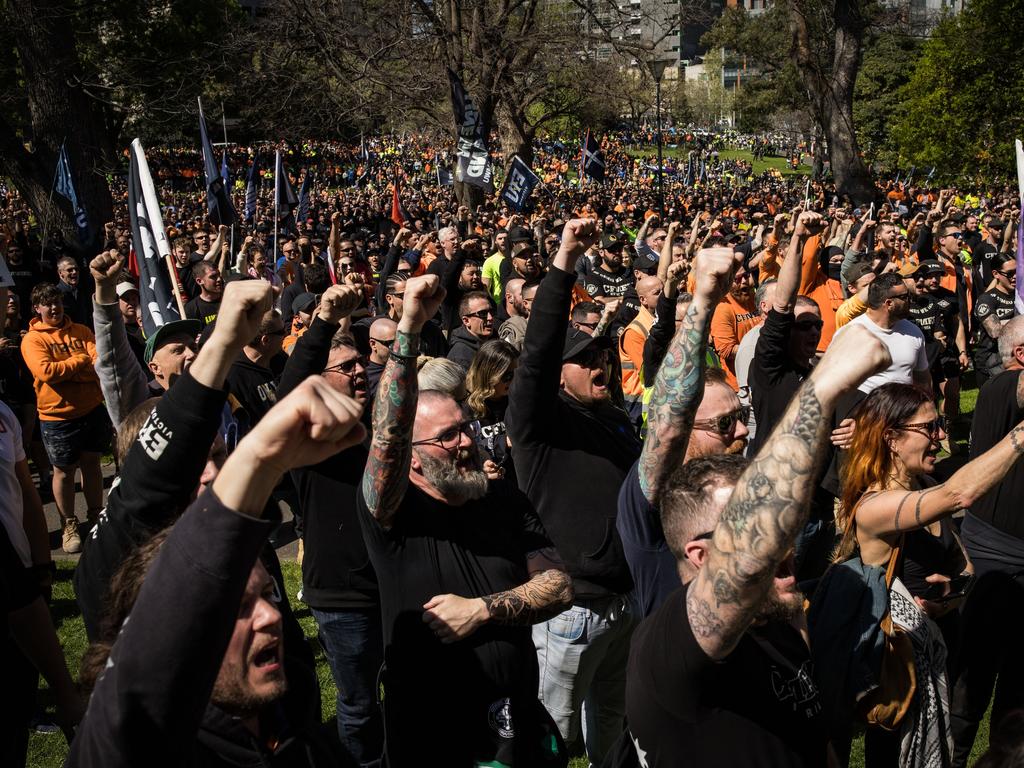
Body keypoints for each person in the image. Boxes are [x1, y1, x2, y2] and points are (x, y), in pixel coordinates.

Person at [68, 376, 367, 768]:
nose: (210, 474)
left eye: (220, 455)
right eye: (232, 605)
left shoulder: (246, 535)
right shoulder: (114, 567)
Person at [626, 323, 891, 767]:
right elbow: (747, 562)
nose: (780, 546)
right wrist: (821, 389)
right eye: (761, 536)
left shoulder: (778, 621)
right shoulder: (672, 645)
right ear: (702, 556)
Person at [358, 274, 574, 767]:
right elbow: (388, 434)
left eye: (467, 429)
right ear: (412, 458)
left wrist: (482, 609)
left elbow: (559, 586)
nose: (466, 442)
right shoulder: (393, 516)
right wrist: (410, 327)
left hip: (516, 727)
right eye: (449, 435)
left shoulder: (500, 496)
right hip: (438, 738)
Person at [833, 381, 1024, 766]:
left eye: (939, 426)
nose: (940, 437)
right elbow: (960, 496)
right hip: (896, 669)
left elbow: (963, 562)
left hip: (938, 649)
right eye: (929, 428)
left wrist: (955, 591)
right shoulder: (875, 507)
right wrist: (1019, 436)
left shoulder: (925, 484)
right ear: (892, 439)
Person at [507, 219, 641, 765]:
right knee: (552, 734)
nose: (598, 363)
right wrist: (563, 260)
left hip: (624, 603)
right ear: (558, 376)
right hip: (571, 610)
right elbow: (537, 353)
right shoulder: (539, 424)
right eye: (583, 358)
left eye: (600, 354)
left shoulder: (615, 420)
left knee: (613, 723)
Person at [277, 284, 383, 767]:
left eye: (361, 363)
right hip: (342, 595)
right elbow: (289, 389)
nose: (360, 370)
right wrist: (322, 323)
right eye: (347, 367)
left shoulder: (373, 426)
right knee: (359, 703)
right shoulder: (308, 438)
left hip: (390, 581)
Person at [617, 246, 749, 619]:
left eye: (741, 417)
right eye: (725, 423)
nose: (742, 430)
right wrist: (704, 301)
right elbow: (670, 424)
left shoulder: (737, 475)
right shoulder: (653, 497)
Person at [950, 317, 1024, 766]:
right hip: (993, 555)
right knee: (972, 676)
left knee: (1018, 684)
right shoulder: (1002, 389)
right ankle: (953, 757)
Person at [20, 283, 109, 554]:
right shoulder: (33, 340)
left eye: (57, 302)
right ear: (37, 308)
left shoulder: (81, 331)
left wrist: (73, 368)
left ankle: (95, 515)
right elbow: (47, 372)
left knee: (92, 464)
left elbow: (99, 362)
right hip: (57, 417)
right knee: (64, 471)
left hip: (91, 409)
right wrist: (80, 361)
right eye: (47, 304)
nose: (54, 308)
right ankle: (69, 523)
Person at [466, 338, 518, 481]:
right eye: (507, 376)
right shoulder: (466, 408)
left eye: (516, 374)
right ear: (489, 376)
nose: (513, 381)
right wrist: (502, 442)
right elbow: (466, 448)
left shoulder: (516, 400)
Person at [972, 253, 1017, 388]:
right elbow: (996, 331)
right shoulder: (986, 300)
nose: (1015, 276)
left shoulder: (1020, 296)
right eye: (1010, 273)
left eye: (1018, 271)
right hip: (990, 365)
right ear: (996, 274)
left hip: (1015, 360)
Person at [446, 290, 494, 370]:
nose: (490, 318)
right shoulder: (460, 357)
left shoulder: (494, 340)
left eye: (491, 312)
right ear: (466, 321)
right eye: (483, 314)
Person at [184, 261, 224, 328]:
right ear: (199, 281)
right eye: (213, 276)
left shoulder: (230, 299)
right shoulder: (191, 309)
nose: (219, 279)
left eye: (218, 274)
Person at [365, 316, 396, 403]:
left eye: (399, 342)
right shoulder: (363, 374)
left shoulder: (407, 365)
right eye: (391, 343)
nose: (397, 348)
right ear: (373, 344)